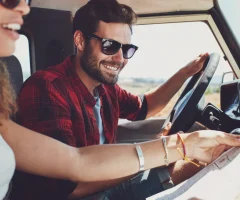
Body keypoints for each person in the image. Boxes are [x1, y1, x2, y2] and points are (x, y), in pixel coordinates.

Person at [1, 0, 240, 200]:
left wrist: (185, 73)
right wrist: (168, 151)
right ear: (81, 41)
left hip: (96, 179)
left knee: (203, 161)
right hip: (80, 193)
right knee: (194, 168)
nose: (119, 58)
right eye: (109, 45)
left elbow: (146, 107)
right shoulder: (47, 87)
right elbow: (69, 186)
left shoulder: (104, 87)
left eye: (127, 49)